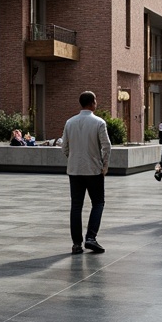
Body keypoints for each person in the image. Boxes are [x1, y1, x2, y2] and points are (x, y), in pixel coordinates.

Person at [63, 91, 111, 254]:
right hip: (93, 170)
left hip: (74, 170)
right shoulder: (99, 122)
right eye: (96, 101)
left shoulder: (69, 122)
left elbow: (64, 147)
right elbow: (107, 146)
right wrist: (104, 165)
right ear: (92, 103)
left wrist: (73, 158)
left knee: (76, 205)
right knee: (98, 203)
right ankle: (91, 237)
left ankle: (77, 244)